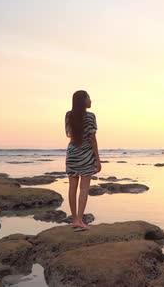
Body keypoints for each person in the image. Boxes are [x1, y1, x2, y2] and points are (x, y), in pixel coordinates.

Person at [65, 90, 101, 230]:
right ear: (84, 101)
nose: (91, 101)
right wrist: (98, 160)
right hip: (86, 154)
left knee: (72, 187)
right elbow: (92, 139)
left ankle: (74, 220)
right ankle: (80, 220)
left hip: (72, 154)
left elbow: (70, 135)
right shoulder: (91, 116)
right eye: (89, 98)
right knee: (84, 189)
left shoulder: (69, 115)